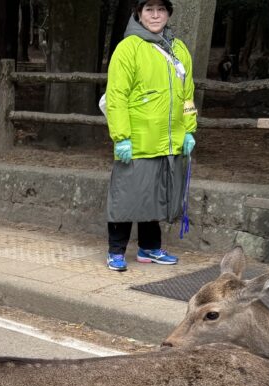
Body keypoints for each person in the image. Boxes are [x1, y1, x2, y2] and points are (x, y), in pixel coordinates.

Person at [104, 1, 197, 271]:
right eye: (149, 9)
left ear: (168, 14)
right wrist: (121, 136)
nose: (155, 15)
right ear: (139, 13)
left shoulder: (179, 49)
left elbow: (187, 95)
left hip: (169, 140)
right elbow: (117, 96)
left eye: (161, 9)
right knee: (127, 195)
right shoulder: (128, 48)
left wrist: (189, 130)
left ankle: (149, 248)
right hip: (137, 141)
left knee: (155, 195)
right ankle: (116, 250)